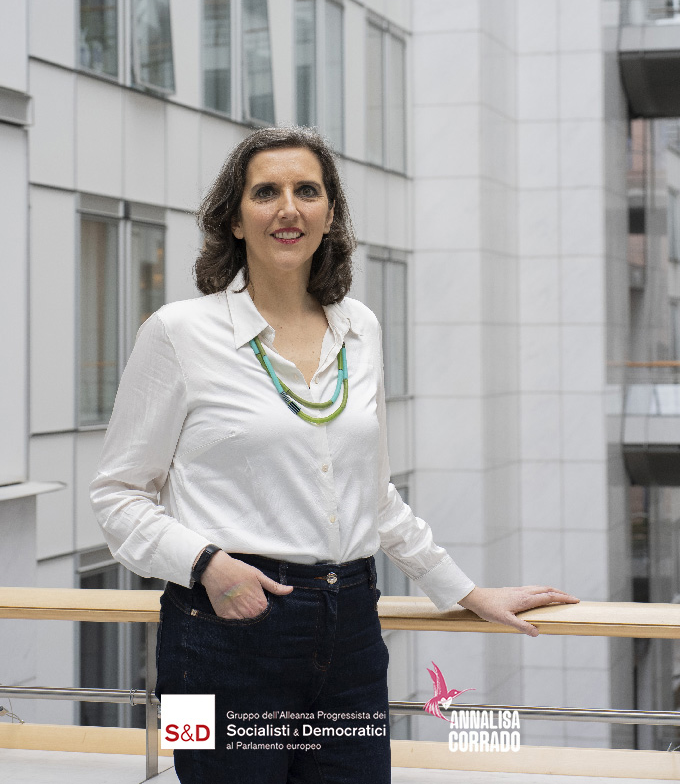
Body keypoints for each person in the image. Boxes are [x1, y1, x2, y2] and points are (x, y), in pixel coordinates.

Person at [90, 126, 579, 784]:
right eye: (266, 192)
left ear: (328, 216)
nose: (288, 208)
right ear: (234, 219)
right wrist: (206, 566)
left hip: (350, 624)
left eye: (307, 191)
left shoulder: (360, 328)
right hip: (216, 628)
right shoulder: (178, 332)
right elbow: (116, 495)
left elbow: (372, 496)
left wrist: (462, 589)